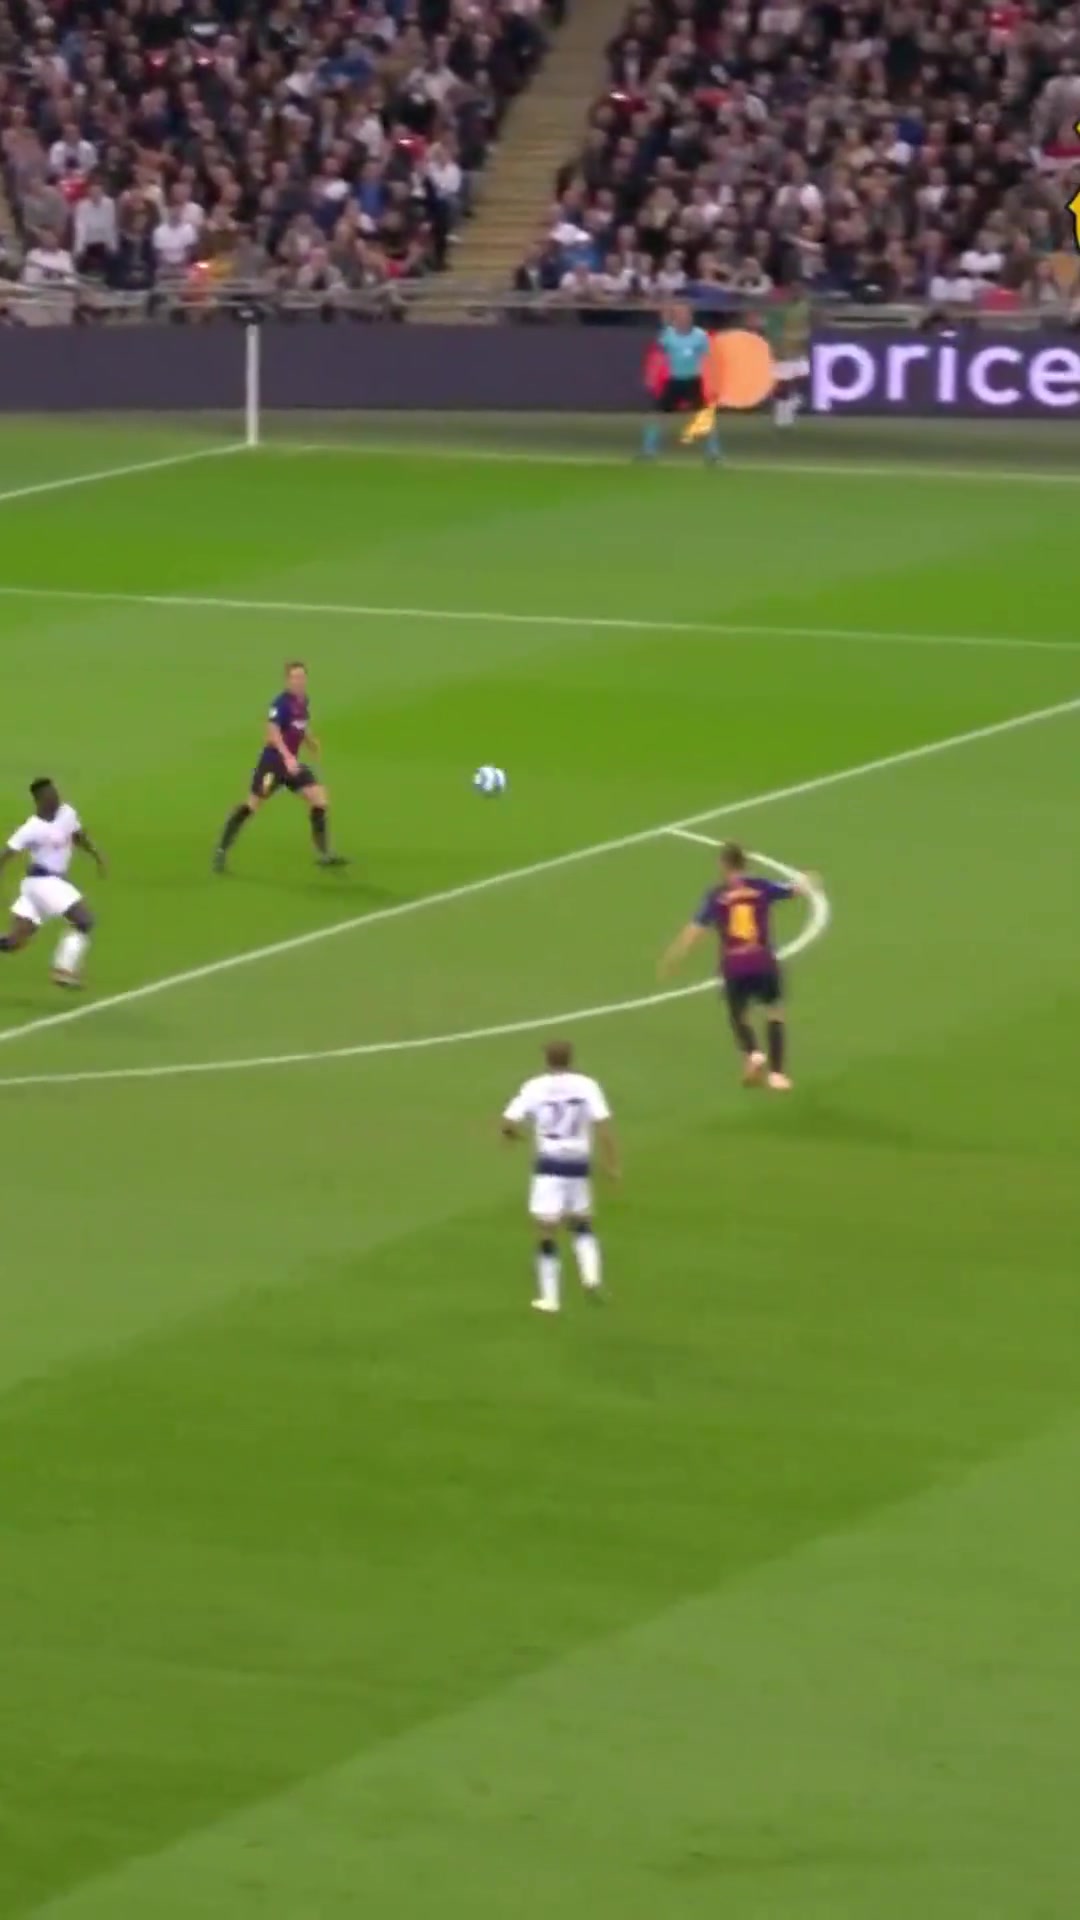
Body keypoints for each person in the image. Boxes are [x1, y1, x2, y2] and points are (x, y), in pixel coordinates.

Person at [659, 842, 818, 1090]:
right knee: (774, 1012)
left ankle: (753, 1053)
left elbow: (695, 931)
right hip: (763, 961)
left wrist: (674, 956)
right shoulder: (761, 887)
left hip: (734, 965)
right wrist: (808, 880)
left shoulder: (716, 896)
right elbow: (794, 890)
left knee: (738, 1014)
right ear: (745, 863)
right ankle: (777, 1074)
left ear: (723, 865)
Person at [501, 1039, 620, 1313]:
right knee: (582, 1223)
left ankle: (550, 1299)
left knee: (546, 1229)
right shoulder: (587, 1085)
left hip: (549, 1164)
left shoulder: (535, 1087)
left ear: (547, 1060)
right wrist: (612, 1165)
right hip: (578, 1163)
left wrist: (514, 1137)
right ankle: (591, 1278)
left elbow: (508, 1123)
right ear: (571, 1059)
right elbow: (603, 1125)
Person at [213, 661, 346, 872]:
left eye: (302, 677)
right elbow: (272, 733)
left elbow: (301, 725)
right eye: (295, 677)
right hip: (273, 764)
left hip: (291, 765)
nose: (299, 681)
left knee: (319, 798)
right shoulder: (280, 704)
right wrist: (288, 757)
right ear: (287, 680)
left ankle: (324, 854)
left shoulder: (303, 701)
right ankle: (222, 850)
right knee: (252, 805)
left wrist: (310, 740)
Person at [0, 777, 105, 989]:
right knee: (84, 920)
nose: (56, 798)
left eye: (56, 793)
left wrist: (96, 854)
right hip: (44, 882)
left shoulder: (67, 813)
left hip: (40, 886)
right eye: (50, 796)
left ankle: (62, 970)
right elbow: (5, 856)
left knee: (13, 942)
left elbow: (77, 835)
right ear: (39, 800)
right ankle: (63, 969)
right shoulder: (31, 828)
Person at [641, 301, 720, 464]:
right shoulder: (667, 335)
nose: (682, 317)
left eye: (685, 314)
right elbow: (659, 353)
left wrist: (712, 382)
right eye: (678, 314)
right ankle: (648, 452)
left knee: (704, 419)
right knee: (658, 417)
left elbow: (708, 359)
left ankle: (714, 454)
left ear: (691, 316)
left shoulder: (700, 336)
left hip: (693, 381)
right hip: (674, 382)